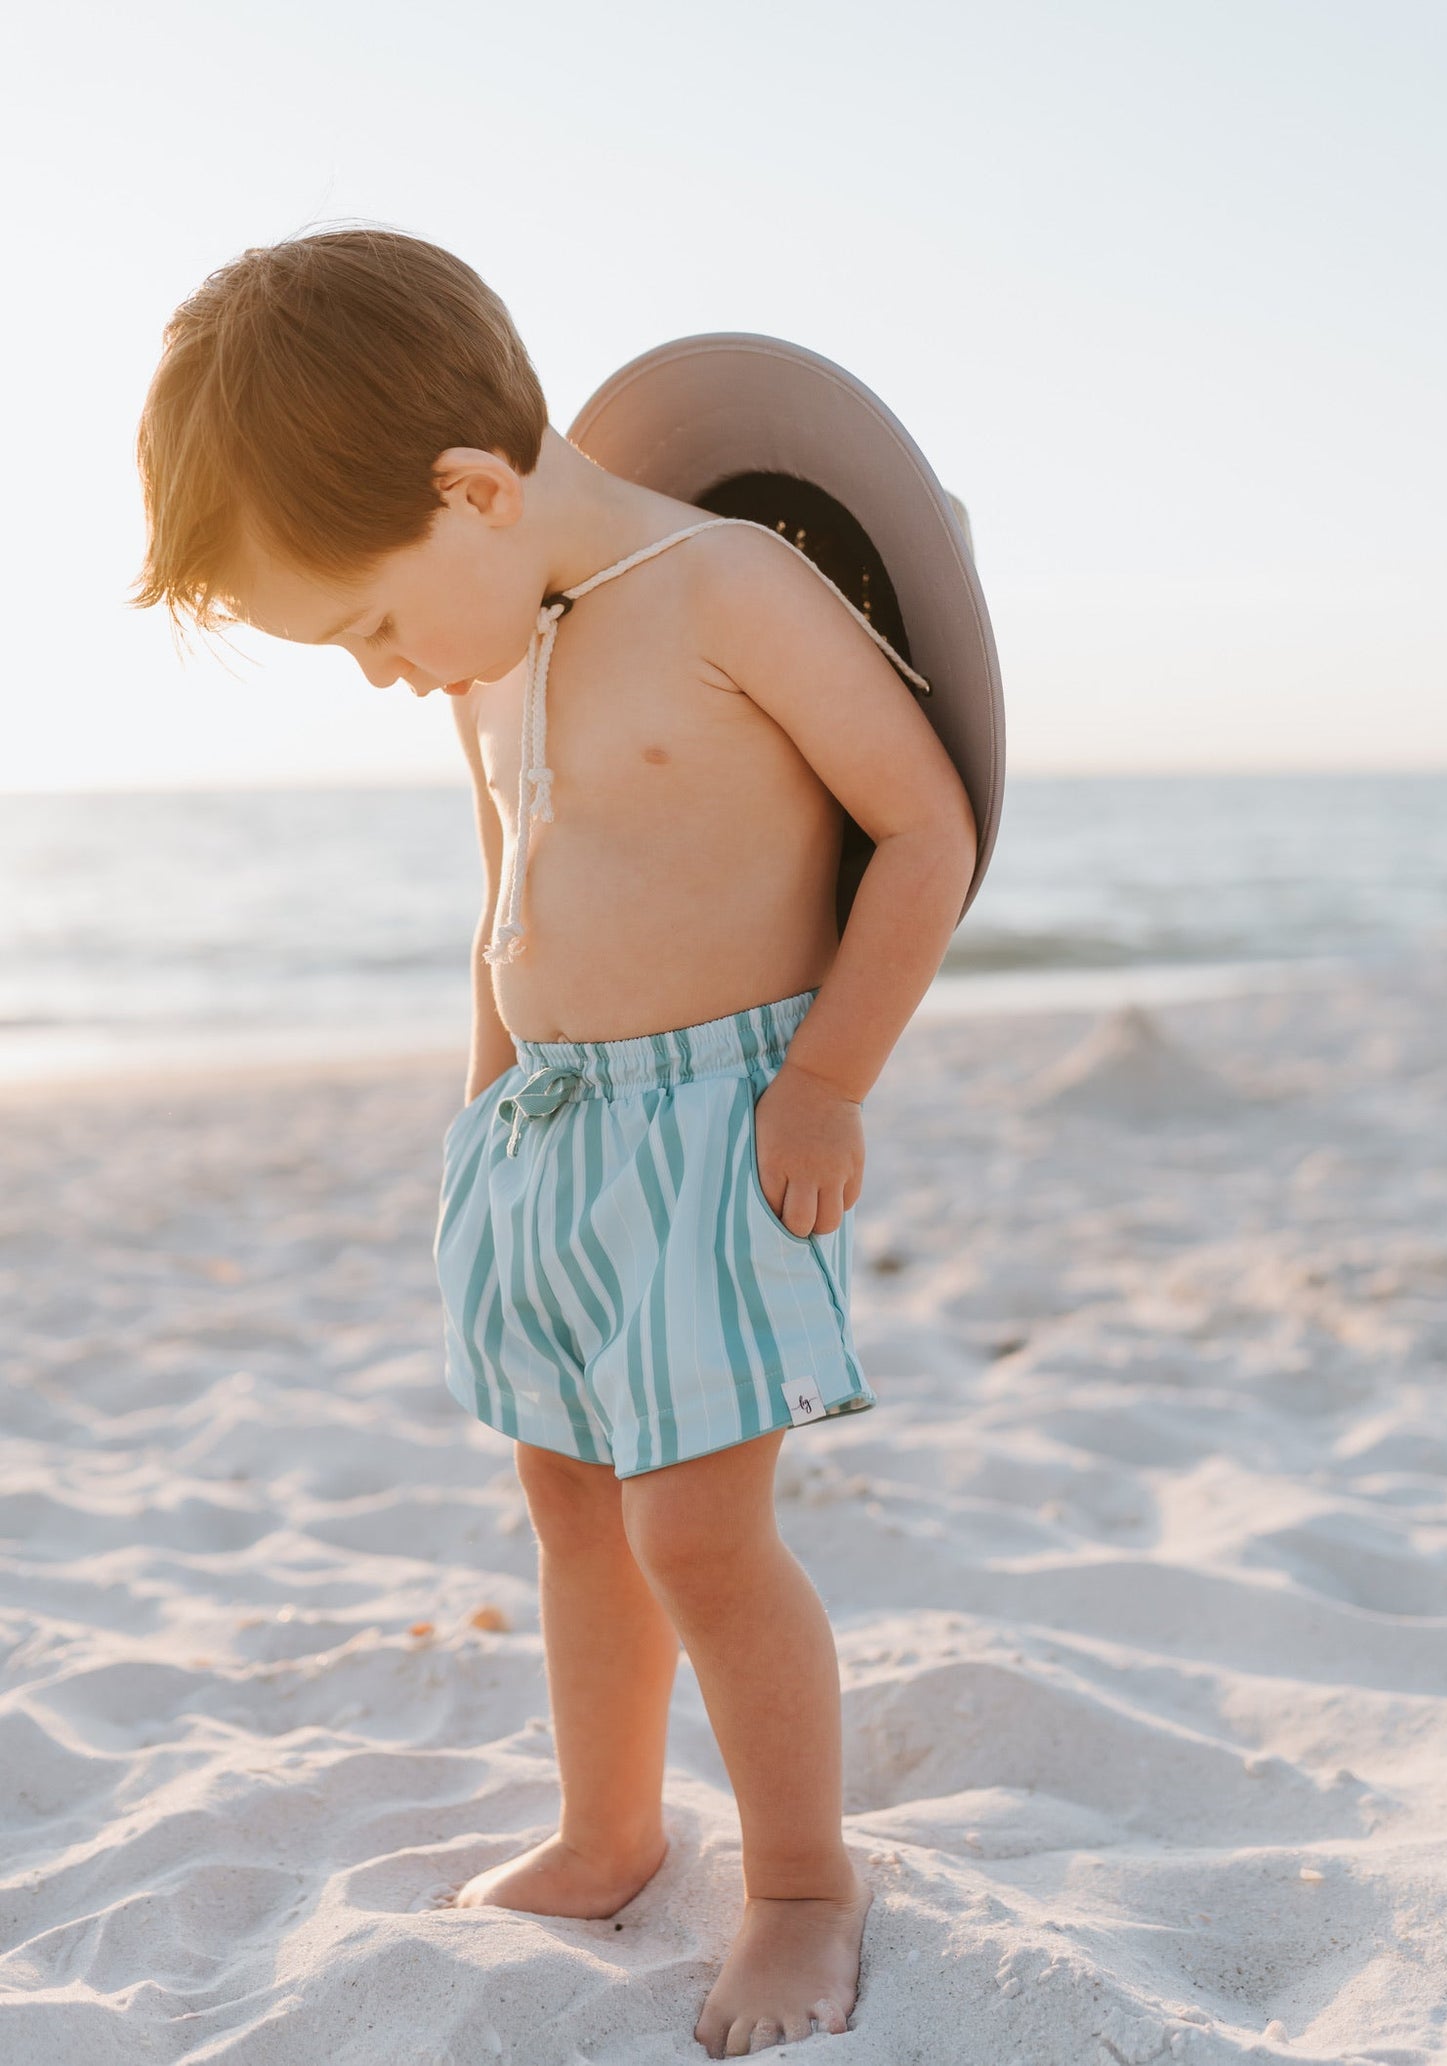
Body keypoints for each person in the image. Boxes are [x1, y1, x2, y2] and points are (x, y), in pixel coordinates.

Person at [131, 226, 977, 2059]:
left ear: (474, 488)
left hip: (722, 1120)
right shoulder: (493, 648)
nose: (378, 674)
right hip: (550, 1135)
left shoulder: (729, 587)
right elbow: (512, 887)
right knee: (570, 1504)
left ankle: (803, 1881)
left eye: (365, 623)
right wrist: (479, 1093)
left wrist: (832, 1076)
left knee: (698, 1527)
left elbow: (924, 828)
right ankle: (608, 1830)